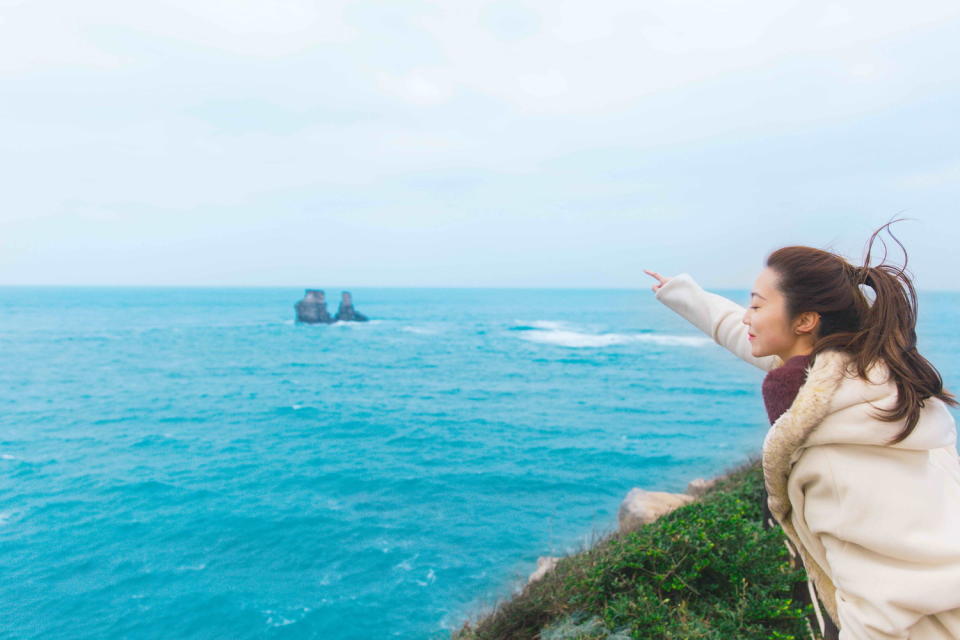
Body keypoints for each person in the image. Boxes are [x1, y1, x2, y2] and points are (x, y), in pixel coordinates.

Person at [645, 219, 960, 640]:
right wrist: (683, 295)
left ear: (806, 320)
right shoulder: (865, 378)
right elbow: (743, 333)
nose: (747, 316)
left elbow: (881, 611)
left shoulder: (834, 452)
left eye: (757, 305)